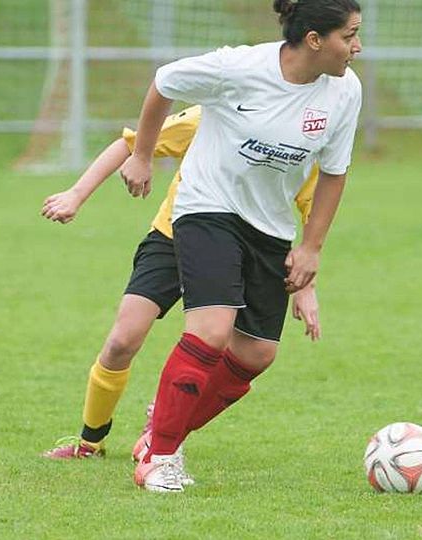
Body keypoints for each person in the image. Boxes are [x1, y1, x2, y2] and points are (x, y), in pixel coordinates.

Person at [119, 0, 362, 492]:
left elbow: (335, 173)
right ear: (315, 39)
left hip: (270, 227)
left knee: (255, 354)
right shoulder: (240, 68)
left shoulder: (345, 90)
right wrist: (143, 155)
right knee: (211, 330)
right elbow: (164, 82)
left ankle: (160, 429)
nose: (358, 47)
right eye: (350, 35)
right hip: (208, 207)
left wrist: (311, 249)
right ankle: (160, 459)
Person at [40, 105, 324, 482]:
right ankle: (90, 442)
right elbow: (129, 144)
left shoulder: (302, 137)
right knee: (123, 339)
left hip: (237, 248)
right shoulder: (219, 112)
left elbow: (310, 210)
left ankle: (164, 423)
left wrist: (305, 287)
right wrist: (76, 195)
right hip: (174, 235)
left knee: (234, 346)